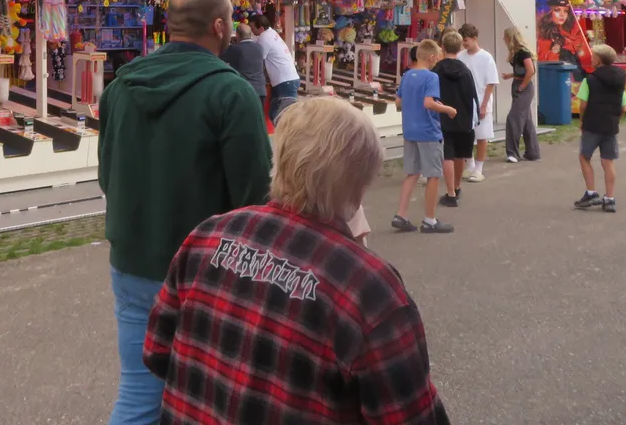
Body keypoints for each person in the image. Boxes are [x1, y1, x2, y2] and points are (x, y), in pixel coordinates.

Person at [143, 97, 451, 424]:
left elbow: (158, 354)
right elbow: (412, 415)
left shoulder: (207, 237)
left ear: (280, 160)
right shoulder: (370, 290)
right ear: (360, 186)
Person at [98, 0, 274, 425]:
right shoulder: (231, 93)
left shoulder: (120, 87)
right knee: (209, 401)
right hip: (207, 276)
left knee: (139, 398)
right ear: (219, 25)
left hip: (132, 263)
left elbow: (107, 176)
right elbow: (254, 199)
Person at [392, 40, 458, 234]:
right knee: (433, 175)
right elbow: (429, 103)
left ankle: (401, 214)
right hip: (428, 131)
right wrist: (448, 109)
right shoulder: (431, 77)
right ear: (431, 57)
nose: (437, 61)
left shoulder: (406, 76)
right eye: (436, 58)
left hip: (410, 131)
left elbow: (398, 102)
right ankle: (430, 219)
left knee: (412, 173)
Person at [574, 44, 626, 213]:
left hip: (592, 124)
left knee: (585, 157)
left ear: (599, 59)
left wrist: (582, 122)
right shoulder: (620, 78)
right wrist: (615, 119)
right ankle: (609, 198)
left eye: (593, 55)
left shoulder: (589, 80)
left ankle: (591, 192)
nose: (591, 57)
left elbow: (583, 105)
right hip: (610, 126)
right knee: (608, 161)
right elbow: (624, 106)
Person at [434, 31, 479, 208]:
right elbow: (472, 96)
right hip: (464, 118)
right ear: (460, 47)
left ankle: (450, 192)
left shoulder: (437, 70)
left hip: (443, 117)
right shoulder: (466, 71)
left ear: (442, 47)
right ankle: (457, 187)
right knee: (461, 154)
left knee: (447, 155)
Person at [458, 23, 500, 182]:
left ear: (474, 38)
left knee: (482, 136)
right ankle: (470, 164)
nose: (464, 43)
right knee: (466, 136)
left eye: (466, 40)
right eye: (462, 40)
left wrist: (484, 105)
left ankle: (479, 168)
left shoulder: (486, 57)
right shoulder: (461, 56)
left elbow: (491, 82)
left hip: (481, 101)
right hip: (464, 103)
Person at [250, 13, 301, 122]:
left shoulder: (264, 38)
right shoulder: (270, 33)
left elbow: (258, 60)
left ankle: (293, 136)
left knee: (287, 117)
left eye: (253, 28)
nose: (251, 31)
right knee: (274, 113)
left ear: (261, 28)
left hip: (286, 82)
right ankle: (282, 136)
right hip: (285, 80)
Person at [501, 27, 539, 163]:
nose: (503, 39)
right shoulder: (517, 53)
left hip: (523, 87)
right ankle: (532, 152)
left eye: (505, 37)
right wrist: (511, 75)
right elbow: (524, 71)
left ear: (510, 38)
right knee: (526, 120)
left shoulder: (523, 52)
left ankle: (512, 152)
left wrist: (523, 85)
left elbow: (530, 70)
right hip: (518, 84)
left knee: (513, 118)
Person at [222, 22, 267, 112]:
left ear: (237, 35)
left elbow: (220, 56)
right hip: (261, 90)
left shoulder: (235, 49)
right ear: (250, 34)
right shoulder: (259, 47)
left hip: (245, 91)